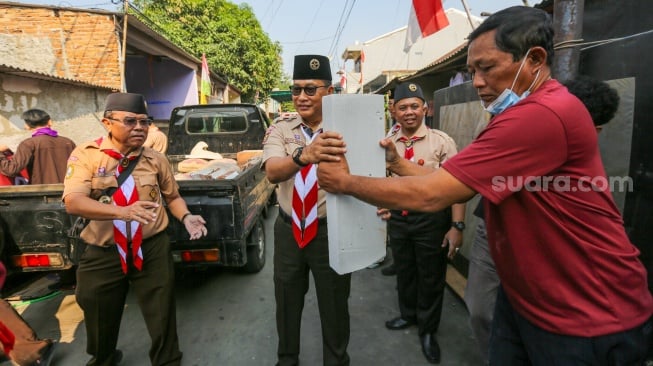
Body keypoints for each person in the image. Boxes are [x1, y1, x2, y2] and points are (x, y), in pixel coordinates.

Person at [317, 6, 653, 365]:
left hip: (584, 311)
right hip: (534, 298)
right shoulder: (519, 115)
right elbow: (446, 181)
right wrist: (397, 164)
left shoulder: (539, 116)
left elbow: (432, 195)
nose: (476, 81)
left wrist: (346, 182)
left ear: (534, 59)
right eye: (471, 70)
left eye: (487, 68)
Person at [464, 75, 621, 364]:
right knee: (480, 308)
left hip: (541, 248)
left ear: (592, 130)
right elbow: (456, 182)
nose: (479, 81)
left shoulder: (579, 165)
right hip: (494, 232)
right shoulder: (521, 122)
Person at [62, 92, 208, 366]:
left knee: (161, 309)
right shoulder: (88, 155)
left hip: (151, 246)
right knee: (96, 307)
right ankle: (104, 357)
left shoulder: (155, 159)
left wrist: (186, 216)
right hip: (104, 250)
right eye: (130, 121)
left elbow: (172, 197)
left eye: (145, 121)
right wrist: (121, 211)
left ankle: (167, 360)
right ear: (108, 122)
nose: (140, 128)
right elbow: (73, 201)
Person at [262, 55, 351, 366]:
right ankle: (287, 360)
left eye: (310, 89)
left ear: (329, 91)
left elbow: (365, 174)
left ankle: (337, 361)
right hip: (289, 230)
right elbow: (273, 171)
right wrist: (305, 155)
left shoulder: (347, 129)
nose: (301, 97)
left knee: (335, 305)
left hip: (330, 230)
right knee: (286, 302)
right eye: (296, 89)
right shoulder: (281, 127)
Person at [381, 82, 465, 364]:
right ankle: (408, 315)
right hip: (399, 217)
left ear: (425, 109)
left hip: (431, 219)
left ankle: (428, 331)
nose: (409, 112)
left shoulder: (442, 141)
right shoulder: (386, 139)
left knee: (431, 275)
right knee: (405, 269)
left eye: (414, 106)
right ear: (394, 111)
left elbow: (458, 187)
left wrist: (457, 226)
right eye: (403, 107)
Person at [0, 109, 75, 184]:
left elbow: (11, 169)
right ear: (50, 122)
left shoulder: (28, 144)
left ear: (27, 126)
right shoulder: (68, 142)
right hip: (68, 190)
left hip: (41, 192)